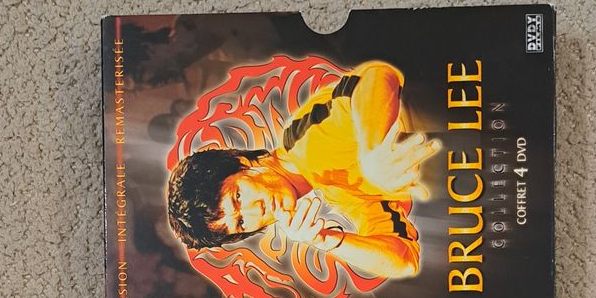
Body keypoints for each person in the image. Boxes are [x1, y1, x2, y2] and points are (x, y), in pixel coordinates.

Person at [167, 61, 440, 280]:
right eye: (241, 223)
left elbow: (375, 78)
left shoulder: (304, 143)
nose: (256, 211)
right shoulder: (338, 193)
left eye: (238, 197)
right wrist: (326, 240)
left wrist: (373, 152)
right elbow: (404, 260)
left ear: (242, 163)